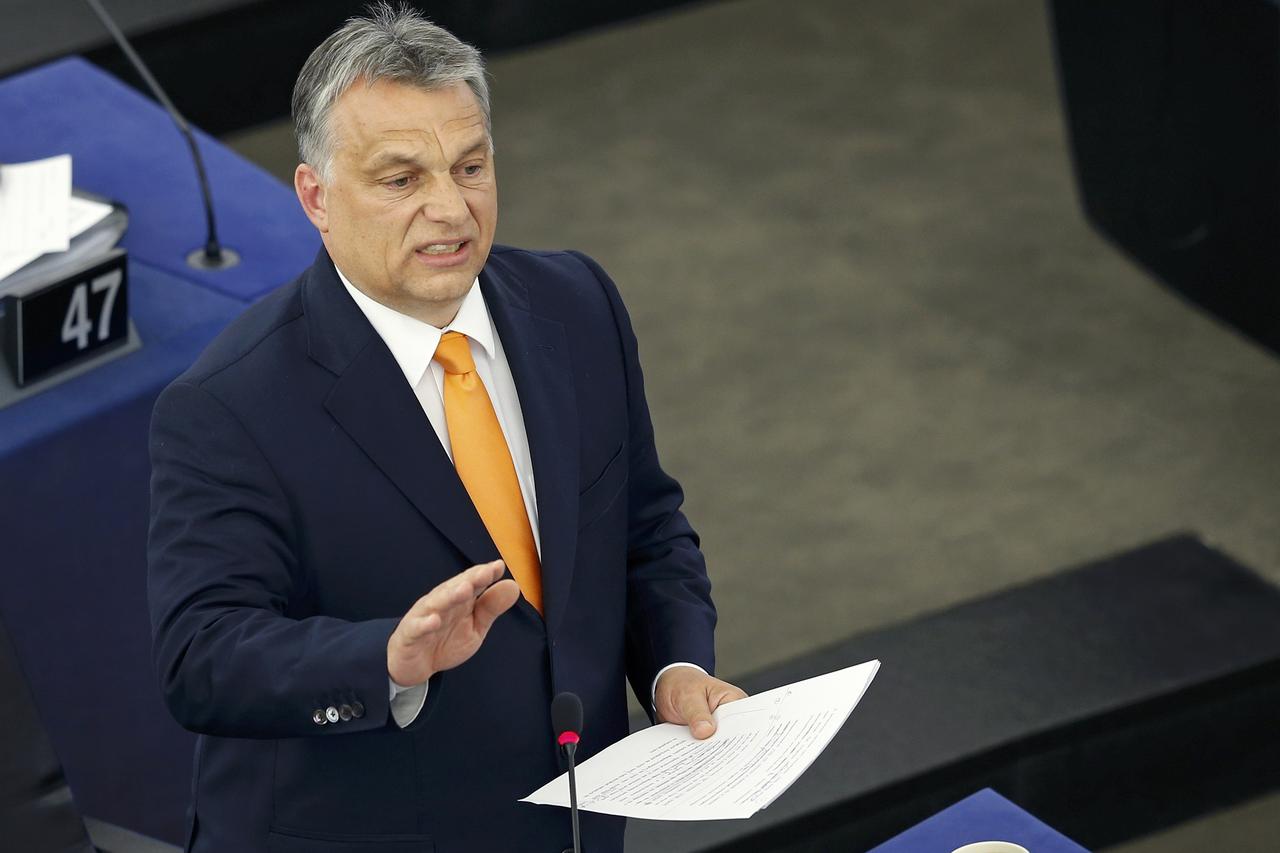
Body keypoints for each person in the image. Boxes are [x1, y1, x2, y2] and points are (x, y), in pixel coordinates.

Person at [147, 5, 745, 851]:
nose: (450, 209)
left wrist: (675, 666)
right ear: (316, 197)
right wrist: (384, 659)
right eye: (401, 180)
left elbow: (645, 526)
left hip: (577, 822)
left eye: (470, 166)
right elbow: (200, 658)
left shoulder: (577, 305)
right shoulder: (228, 406)